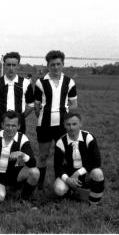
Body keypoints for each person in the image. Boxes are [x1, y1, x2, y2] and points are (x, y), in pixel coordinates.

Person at [33, 50, 77, 191]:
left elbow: (73, 105)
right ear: (48, 65)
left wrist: (66, 119)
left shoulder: (70, 82)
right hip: (45, 124)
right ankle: (40, 185)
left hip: (63, 126)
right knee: (43, 155)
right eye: (53, 65)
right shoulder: (40, 82)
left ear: (63, 64)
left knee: (64, 155)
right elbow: (37, 106)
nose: (56, 67)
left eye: (58, 64)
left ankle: (66, 182)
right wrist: (44, 116)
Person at [0, 111, 40, 203]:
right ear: (2, 125)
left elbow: (32, 163)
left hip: (14, 174)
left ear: (19, 126)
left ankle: (24, 197)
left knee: (35, 172)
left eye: (13, 126)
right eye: (7, 125)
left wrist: (22, 154)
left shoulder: (22, 138)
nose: (10, 128)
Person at [53, 112, 105, 205]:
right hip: (70, 174)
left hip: (87, 172)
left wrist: (79, 172)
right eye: (68, 124)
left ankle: (93, 204)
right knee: (58, 189)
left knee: (98, 173)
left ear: (80, 124)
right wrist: (67, 179)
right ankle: (74, 193)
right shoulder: (60, 142)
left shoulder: (89, 137)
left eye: (74, 124)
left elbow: (96, 161)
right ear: (64, 125)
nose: (71, 127)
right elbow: (57, 166)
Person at [0, 52, 35, 133]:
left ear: (18, 66)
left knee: (17, 144)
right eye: (8, 65)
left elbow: (30, 105)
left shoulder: (26, 83)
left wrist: (20, 116)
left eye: (14, 65)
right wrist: (0, 116)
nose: (11, 67)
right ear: (4, 65)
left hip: (18, 122)